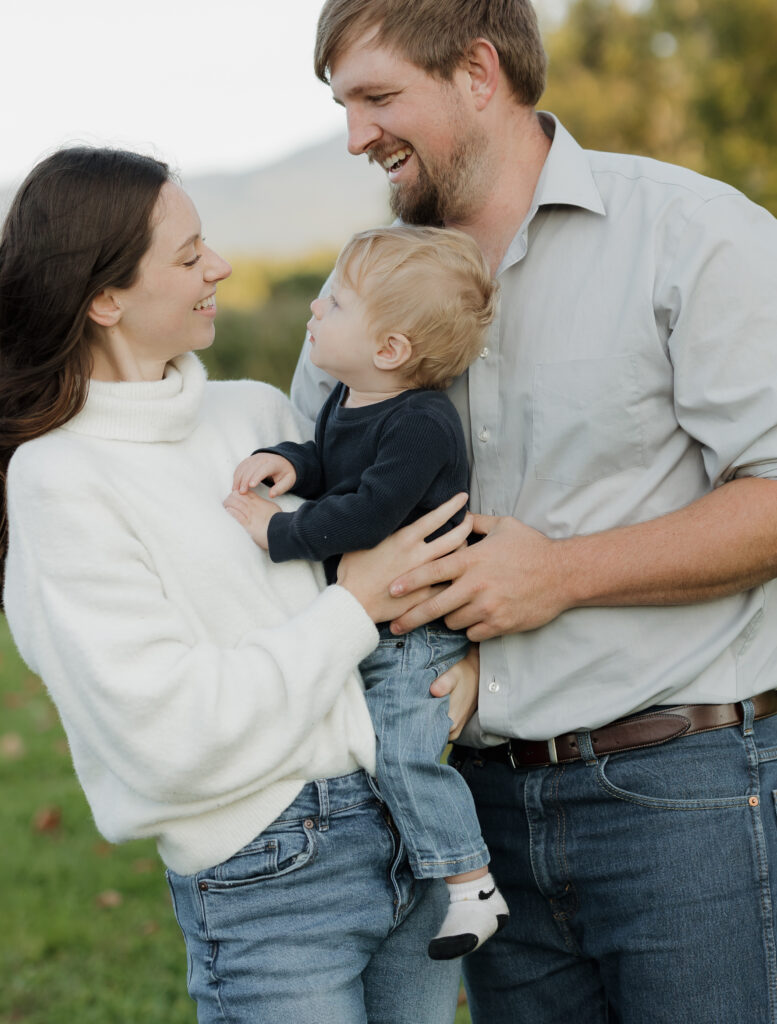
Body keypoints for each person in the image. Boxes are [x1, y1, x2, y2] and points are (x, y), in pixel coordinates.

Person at [290, 1, 777, 1021]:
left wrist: (560, 573)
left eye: (379, 97)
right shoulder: (363, 284)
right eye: (340, 105)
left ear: (478, 71)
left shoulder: (691, 231)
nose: (354, 136)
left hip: (680, 793)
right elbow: (315, 483)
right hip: (469, 811)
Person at [0, 147, 472, 1024]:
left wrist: (458, 660)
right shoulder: (57, 478)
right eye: (186, 258)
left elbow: (405, 572)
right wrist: (353, 608)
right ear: (104, 299)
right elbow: (167, 730)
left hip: (407, 832)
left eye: (206, 243)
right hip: (267, 875)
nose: (217, 265)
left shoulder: (257, 415)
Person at [226, 224, 508, 960]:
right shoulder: (352, 399)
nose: (315, 311)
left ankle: (470, 884)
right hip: (373, 627)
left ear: (389, 349)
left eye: (337, 303)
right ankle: (421, 875)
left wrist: (279, 533)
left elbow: (370, 512)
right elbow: (330, 464)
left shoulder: (421, 422)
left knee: (404, 757)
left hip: (416, 633)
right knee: (378, 754)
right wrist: (288, 462)